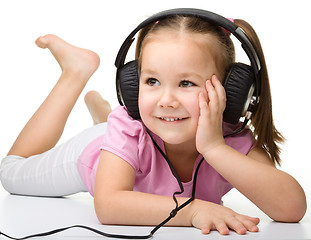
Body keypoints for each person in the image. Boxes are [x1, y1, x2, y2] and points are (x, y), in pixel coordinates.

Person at [0, 9, 307, 236]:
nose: (166, 100)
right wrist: (193, 209)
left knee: (118, 128)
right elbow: (109, 205)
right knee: (11, 172)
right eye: (152, 81)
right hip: (97, 151)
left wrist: (214, 147)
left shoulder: (232, 141)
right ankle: (75, 72)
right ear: (132, 86)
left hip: (130, 141)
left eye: (186, 83)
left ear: (231, 92)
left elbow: (291, 209)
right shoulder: (127, 128)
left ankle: (101, 113)